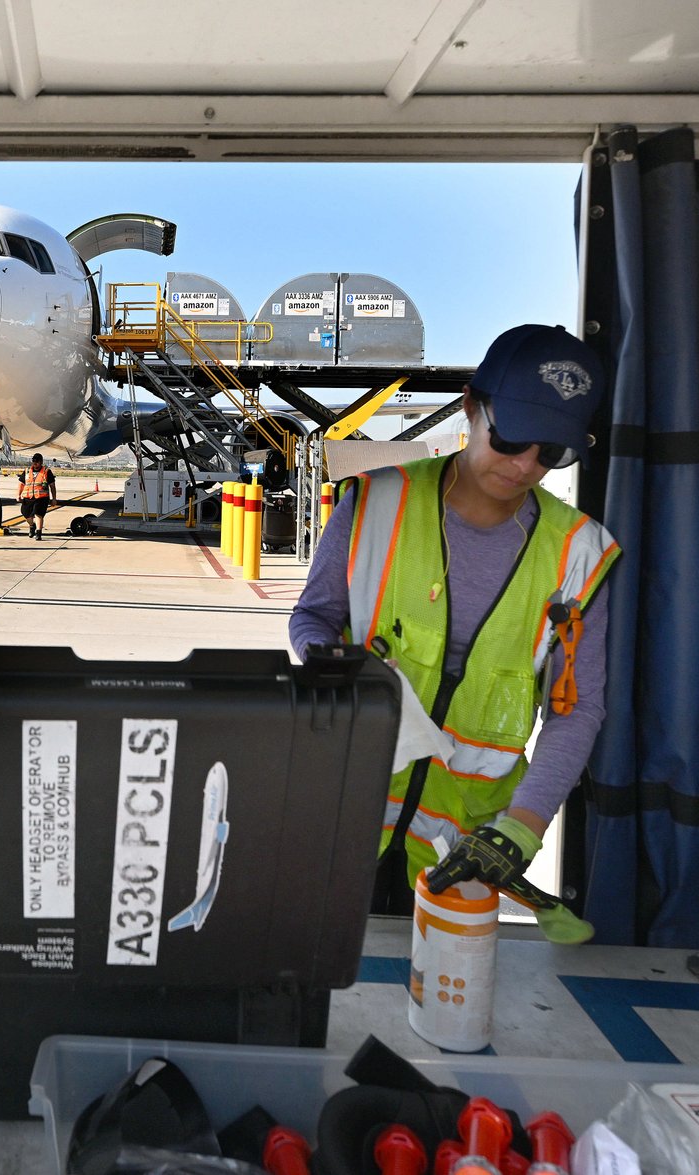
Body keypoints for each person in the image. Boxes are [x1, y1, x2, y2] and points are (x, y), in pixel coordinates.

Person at [288, 324, 621, 918]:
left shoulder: (580, 553)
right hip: (347, 807)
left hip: (465, 846)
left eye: (551, 453)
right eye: (512, 437)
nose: (524, 466)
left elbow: (577, 709)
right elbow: (314, 617)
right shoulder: (371, 502)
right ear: (471, 406)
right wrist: (323, 658)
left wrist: (522, 827)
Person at [17, 453, 57, 540]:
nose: (35, 463)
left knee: (38, 514)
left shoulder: (46, 472)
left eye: (37, 461)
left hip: (41, 497)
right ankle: (32, 526)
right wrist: (18, 495)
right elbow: (21, 484)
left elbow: (52, 486)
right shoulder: (27, 471)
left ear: (41, 462)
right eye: (34, 461)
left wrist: (54, 498)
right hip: (28, 497)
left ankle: (38, 533)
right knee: (26, 514)